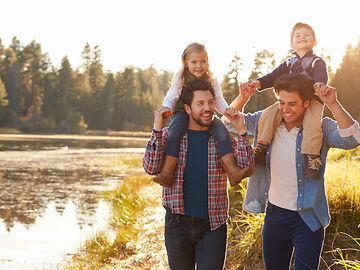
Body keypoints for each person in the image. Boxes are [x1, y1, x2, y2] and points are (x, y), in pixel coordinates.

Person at [230, 74, 360, 270]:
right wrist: (243, 97)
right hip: (274, 215)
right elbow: (228, 122)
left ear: (306, 103)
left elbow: (352, 139)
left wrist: (333, 103)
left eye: (292, 104)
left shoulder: (320, 126)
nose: (285, 109)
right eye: (281, 103)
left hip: (307, 217)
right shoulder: (266, 121)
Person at [143, 79, 253, 270]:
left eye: (211, 102)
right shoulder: (171, 136)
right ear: (187, 109)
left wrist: (241, 129)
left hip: (213, 225)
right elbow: (151, 168)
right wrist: (157, 128)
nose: (208, 108)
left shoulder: (221, 138)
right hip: (177, 224)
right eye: (200, 103)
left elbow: (245, 165)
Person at [154, 42, 250, 187]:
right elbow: (171, 96)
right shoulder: (181, 78)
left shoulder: (211, 80)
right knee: (174, 132)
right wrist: (166, 108)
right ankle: (167, 172)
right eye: (194, 62)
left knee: (222, 133)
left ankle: (232, 171)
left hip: (206, 115)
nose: (199, 66)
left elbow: (218, 101)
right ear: (186, 63)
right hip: (181, 113)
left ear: (208, 62)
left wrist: (227, 111)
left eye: (203, 61)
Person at [240, 22, 328, 179]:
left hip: (312, 99)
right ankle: (261, 147)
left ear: (315, 41)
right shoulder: (289, 62)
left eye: (307, 35)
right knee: (268, 115)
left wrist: (319, 84)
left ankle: (312, 157)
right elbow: (273, 77)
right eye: (298, 35)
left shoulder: (316, 61)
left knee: (313, 124)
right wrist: (257, 83)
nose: (302, 38)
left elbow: (321, 75)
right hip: (290, 100)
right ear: (291, 43)